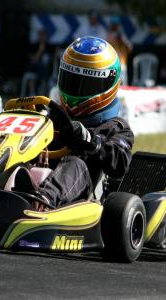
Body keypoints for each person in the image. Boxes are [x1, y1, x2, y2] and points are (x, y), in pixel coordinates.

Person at [15, 36, 134, 210]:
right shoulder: (53, 117)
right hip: (41, 181)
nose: (75, 91)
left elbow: (120, 164)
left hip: (85, 199)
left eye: (86, 85)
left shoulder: (116, 127)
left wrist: (91, 140)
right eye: (71, 81)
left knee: (74, 163)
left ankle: (42, 201)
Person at [106, 16, 133, 86]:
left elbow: (130, 49)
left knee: (123, 86)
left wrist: (121, 41)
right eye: (113, 25)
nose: (114, 26)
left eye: (116, 25)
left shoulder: (122, 36)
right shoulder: (107, 36)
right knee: (112, 86)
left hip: (122, 64)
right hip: (111, 65)